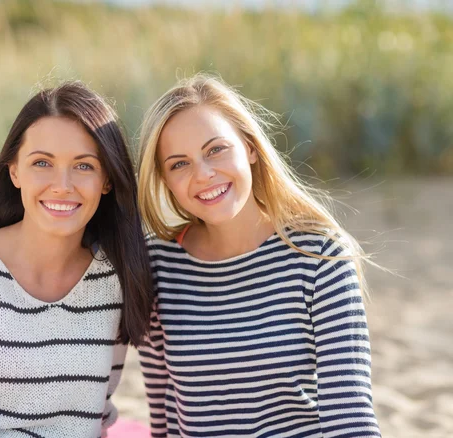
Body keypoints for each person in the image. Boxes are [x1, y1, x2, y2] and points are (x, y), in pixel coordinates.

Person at [136, 74, 382, 438]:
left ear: (250, 147)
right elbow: (163, 415)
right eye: (179, 164)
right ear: (164, 180)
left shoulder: (320, 257)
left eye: (215, 149)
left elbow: (350, 419)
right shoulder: (158, 265)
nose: (203, 174)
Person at [0, 82, 153, 438]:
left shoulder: (114, 281)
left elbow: (95, 414)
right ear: (14, 171)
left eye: (84, 166)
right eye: (42, 163)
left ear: (107, 180)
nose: (62, 185)